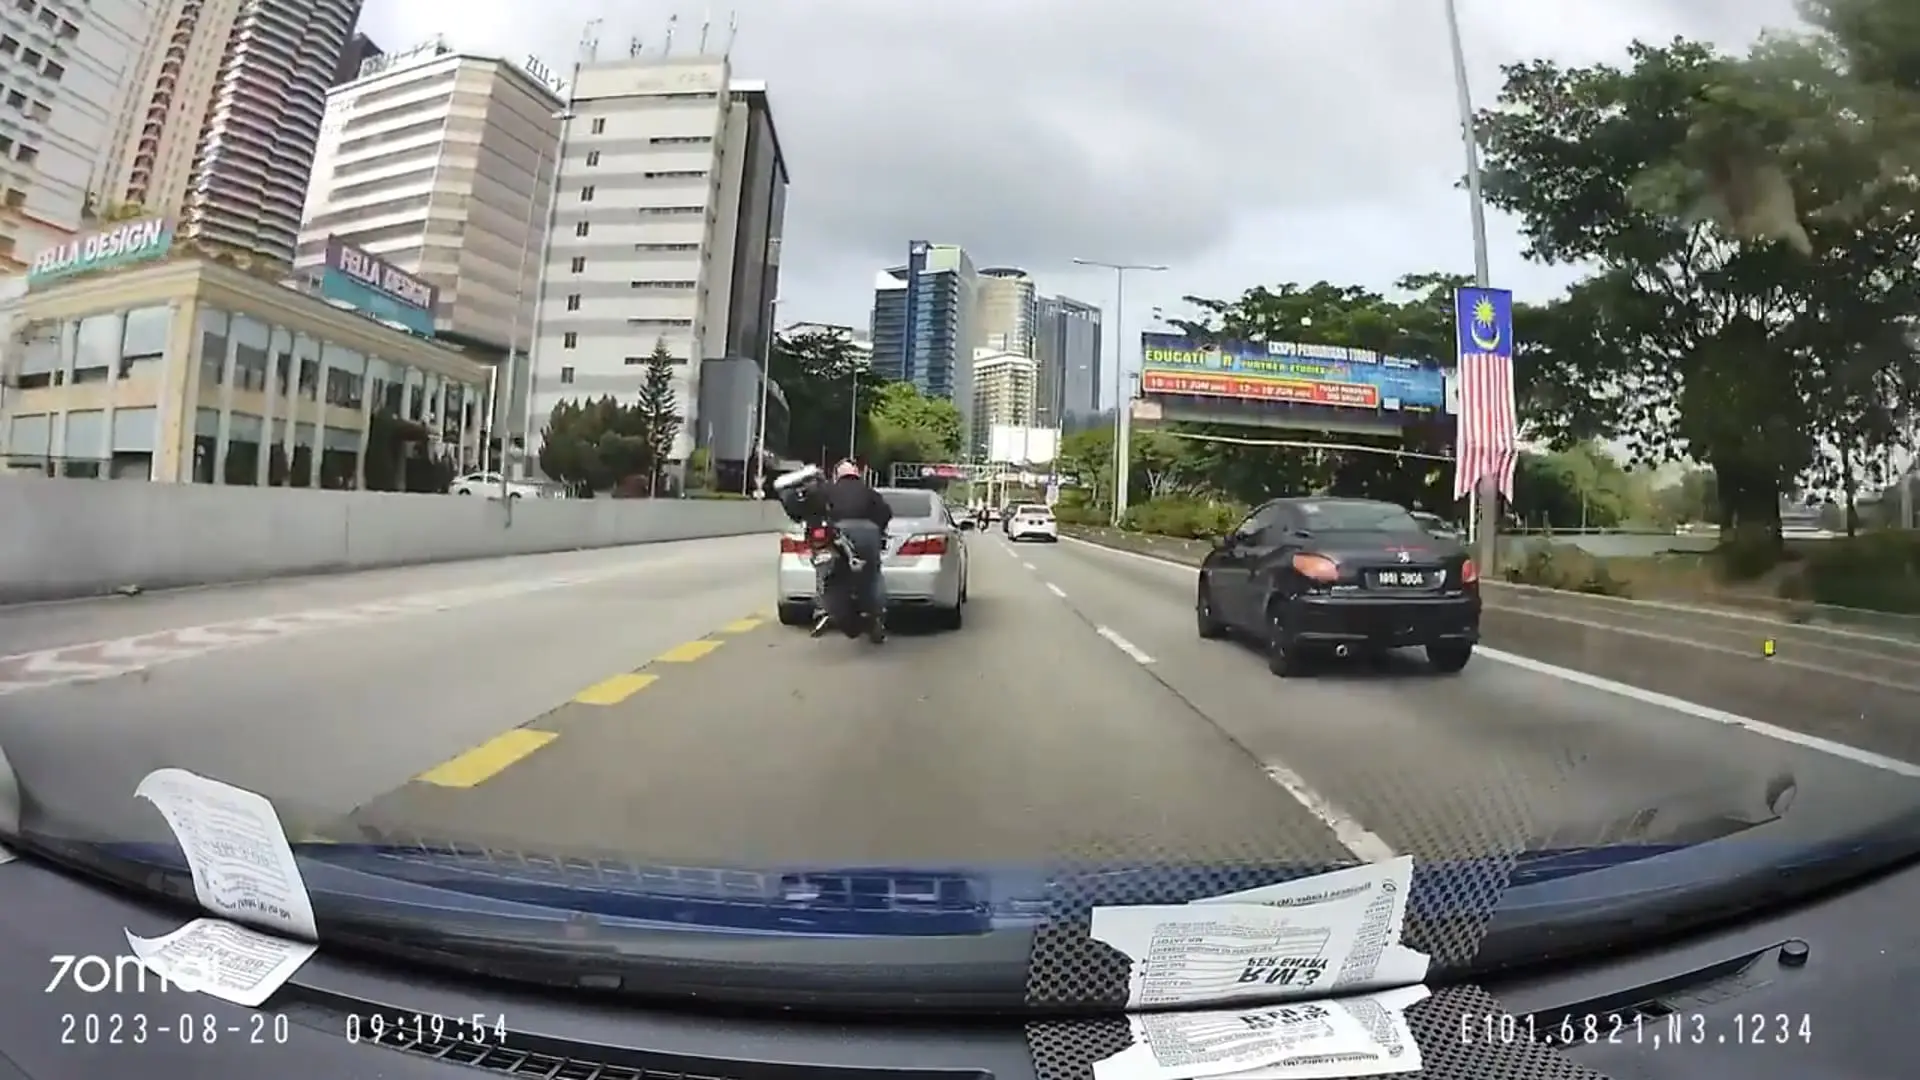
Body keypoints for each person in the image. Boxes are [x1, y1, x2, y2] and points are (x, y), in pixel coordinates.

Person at [821, 459, 893, 643]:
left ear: (837, 475)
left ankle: (823, 608)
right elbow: (886, 513)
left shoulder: (828, 491)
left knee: (830, 571)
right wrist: (877, 529)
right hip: (867, 533)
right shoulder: (869, 492)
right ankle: (876, 616)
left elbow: (818, 512)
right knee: (872, 575)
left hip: (837, 533)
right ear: (857, 474)